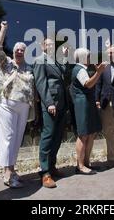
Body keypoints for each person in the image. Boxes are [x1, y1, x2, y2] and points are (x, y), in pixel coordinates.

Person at [0, 21, 35, 188]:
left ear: (25, 53)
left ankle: (12, 168)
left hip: (24, 106)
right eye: (17, 49)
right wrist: (3, 30)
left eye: (22, 50)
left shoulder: (28, 68)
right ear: (14, 51)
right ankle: (7, 173)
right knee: (8, 138)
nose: (19, 51)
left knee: (17, 139)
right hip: (6, 103)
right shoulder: (7, 63)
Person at [33, 37, 69, 188]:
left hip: (62, 103)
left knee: (57, 136)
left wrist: (65, 57)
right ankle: (45, 172)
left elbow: (63, 74)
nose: (52, 46)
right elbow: (41, 83)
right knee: (48, 136)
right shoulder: (40, 60)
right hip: (51, 103)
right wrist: (48, 103)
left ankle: (52, 166)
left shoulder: (56, 60)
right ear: (43, 47)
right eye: (49, 44)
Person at [70, 48, 106, 174]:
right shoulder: (79, 69)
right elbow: (88, 84)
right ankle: (80, 166)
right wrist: (99, 72)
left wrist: (97, 72)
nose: (91, 58)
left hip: (88, 103)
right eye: (89, 56)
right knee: (83, 134)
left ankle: (86, 163)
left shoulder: (83, 69)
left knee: (91, 133)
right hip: (83, 104)